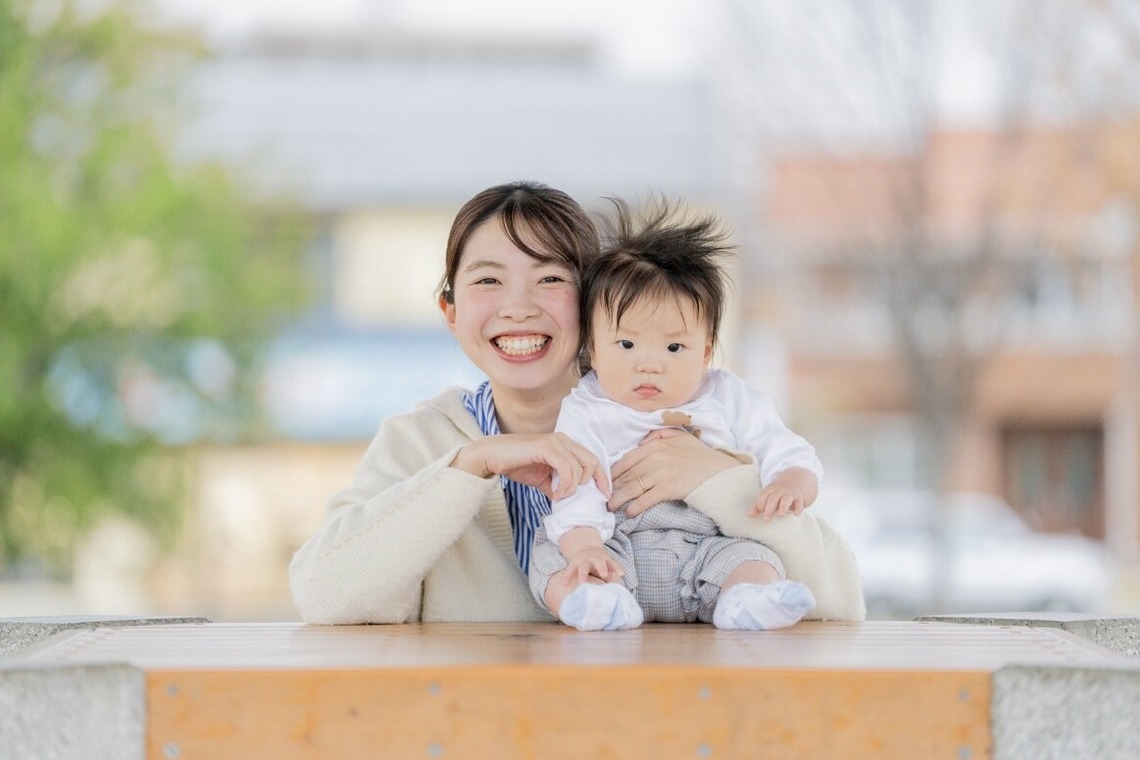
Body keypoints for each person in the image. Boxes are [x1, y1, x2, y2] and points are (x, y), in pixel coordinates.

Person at [288, 181, 765, 625]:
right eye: (488, 281)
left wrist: (717, 480)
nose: (518, 307)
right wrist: (470, 466)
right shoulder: (420, 441)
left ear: (595, 308)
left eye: (551, 278)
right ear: (449, 312)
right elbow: (323, 596)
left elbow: (835, 591)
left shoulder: (694, 418)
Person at [528, 198, 841, 631]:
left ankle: (745, 600)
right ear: (593, 349)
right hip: (616, 545)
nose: (649, 364)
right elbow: (575, 484)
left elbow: (783, 447)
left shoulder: (729, 396)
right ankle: (597, 603)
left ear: (707, 350)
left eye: (674, 347)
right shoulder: (586, 408)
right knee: (549, 554)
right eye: (627, 344)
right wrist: (583, 548)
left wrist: (789, 483)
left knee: (756, 557)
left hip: (706, 547)